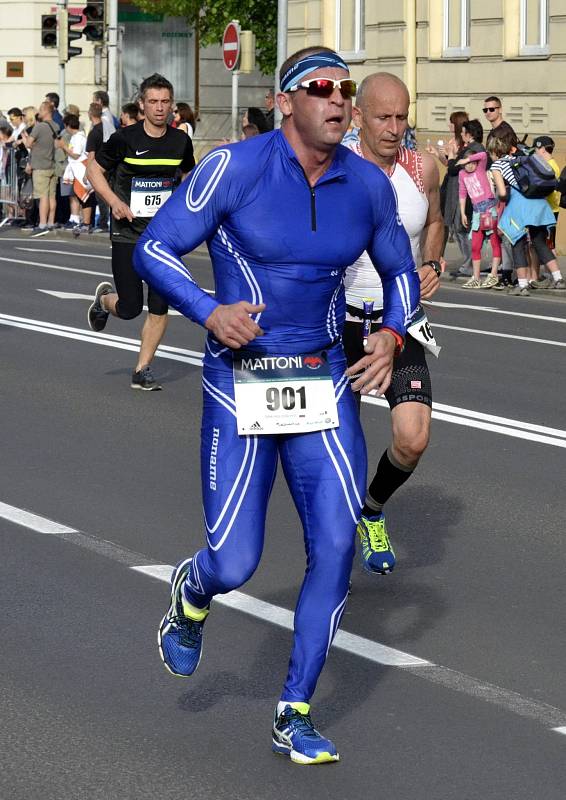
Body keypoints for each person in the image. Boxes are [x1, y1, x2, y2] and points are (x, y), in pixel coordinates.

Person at [133, 47, 420, 764]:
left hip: (323, 382)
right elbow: (155, 248)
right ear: (286, 101)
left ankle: (293, 710)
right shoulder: (237, 167)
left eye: (344, 90)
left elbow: (401, 272)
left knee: (333, 547)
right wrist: (207, 310)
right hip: (242, 381)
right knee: (236, 562)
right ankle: (193, 591)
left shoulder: (367, 186)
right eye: (320, 89)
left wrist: (388, 335)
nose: (337, 100)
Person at [341, 72, 442, 575]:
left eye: (403, 117)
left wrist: (433, 262)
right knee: (341, 446)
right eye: (384, 117)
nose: (395, 127)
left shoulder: (424, 169)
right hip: (340, 323)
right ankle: (333, 556)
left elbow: (437, 221)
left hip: (400, 319)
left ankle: (372, 510)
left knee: (412, 438)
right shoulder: (333, 166)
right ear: (359, 116)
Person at [85, 73, 195, 390]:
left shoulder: (180, 141)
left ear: (171, 106)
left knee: (160, 306)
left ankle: (142, 369)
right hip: (127, 233)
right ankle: (104, 300)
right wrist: (114, 202)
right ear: (142, 104)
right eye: (153, 102)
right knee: (131, 308)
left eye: (165, 102)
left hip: (163, 238)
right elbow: (93, 169)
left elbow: (189, 177)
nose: (159, 108)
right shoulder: (124, 138)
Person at [489, 130, 559, 296]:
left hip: (520, 206)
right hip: (539, 203)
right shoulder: (520, 158)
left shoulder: (497, 165)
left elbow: (503, 194)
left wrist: (500, 195)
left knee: (517, 243)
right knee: (539, 242)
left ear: (494, 151)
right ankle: (558, 278)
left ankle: (522, 285)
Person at [456, 119, 502, 290]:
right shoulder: (462, 175)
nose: (469, 166)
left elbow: (483, 155)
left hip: (489, 208)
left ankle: (494, 274)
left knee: (494, 241)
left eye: (471, 163)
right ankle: (475, 277)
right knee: (475, 245)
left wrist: (467, 159)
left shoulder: (480, 167)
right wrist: (462, 213)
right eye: (467, 163)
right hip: (476, 212)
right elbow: (462, 194)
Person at [20, 100, 59, 236]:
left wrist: (24, 137)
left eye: (41, 110)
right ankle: (50, 222)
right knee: (51, 196)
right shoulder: (56, 125)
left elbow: (29, 144)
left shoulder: (40, 126)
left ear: (45, 111)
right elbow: (55, 145)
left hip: (40, 166)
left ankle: (42, 224)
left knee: (42, 196)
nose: (39, 113)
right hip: (52, 165)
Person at [529, 135, 563, 288]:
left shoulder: (550, 166)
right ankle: (536, 276)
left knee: (549, 245)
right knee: (537, 244)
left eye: (536, 150)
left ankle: (554, 276)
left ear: (542, 149)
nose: (535, 153)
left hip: (549, 211)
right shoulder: (548, 164)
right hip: (544, 211)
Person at [85, 103, 109, 232]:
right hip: (108, 166)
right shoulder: (106, 128)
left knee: (101, 196)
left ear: (90, 114)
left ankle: (103, 224)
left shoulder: (94, 132)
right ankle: (103, 222)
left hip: (97, 168)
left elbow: (91, 154)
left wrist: (87, 172)